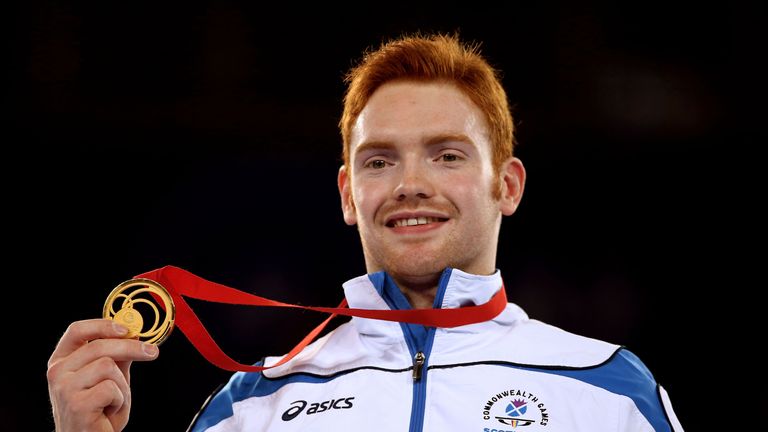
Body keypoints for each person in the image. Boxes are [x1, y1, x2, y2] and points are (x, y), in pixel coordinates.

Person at [47, 32, 684, 431]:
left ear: (508, 186)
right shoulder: (252, 407)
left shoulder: (608, 391)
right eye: (379, 161)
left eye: (447, 155)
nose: (411, 183)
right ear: (349, 195)